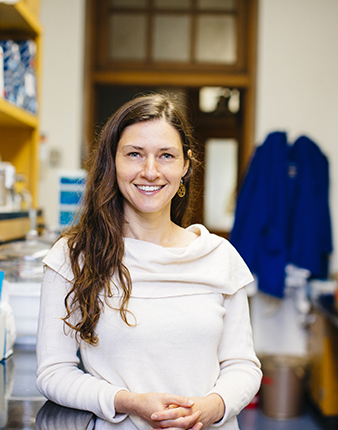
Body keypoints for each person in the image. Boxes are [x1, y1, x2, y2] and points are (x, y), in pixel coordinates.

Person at [36, 93, 261, 430]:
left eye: (166, 156)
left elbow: (242, 365)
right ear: (113, 161)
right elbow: (53, 372)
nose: (150, 171)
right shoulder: (74, 258)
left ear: (185, 165)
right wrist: (128, 401)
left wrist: (212, 407)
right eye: (135, 154)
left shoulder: (219, 257)